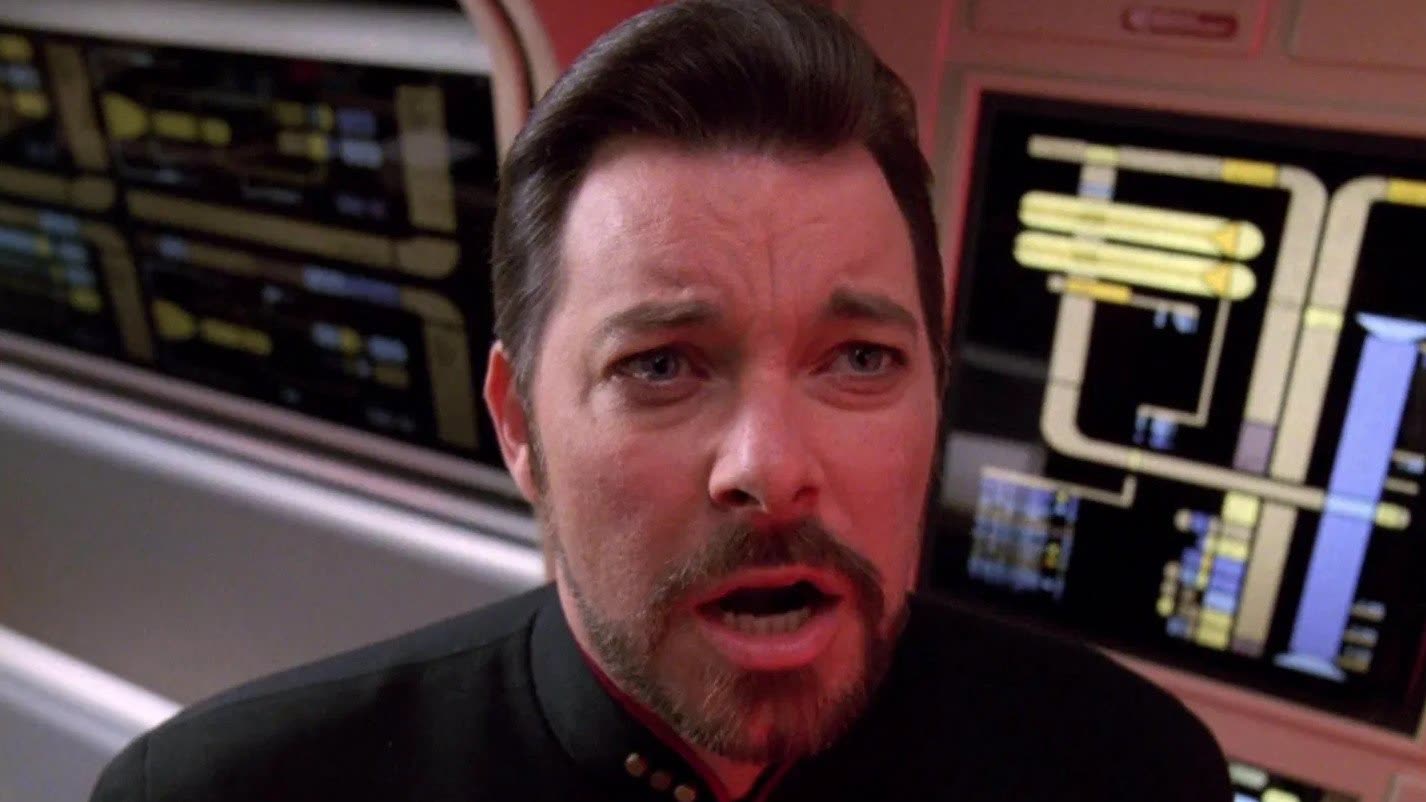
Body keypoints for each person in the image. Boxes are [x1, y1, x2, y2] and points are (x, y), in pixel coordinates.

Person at [91, 1, 1231, 800]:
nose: (771, 468)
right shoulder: (219, 792)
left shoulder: (1129, 767)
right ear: (519, 425)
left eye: (858, 359)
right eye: (660, 366)